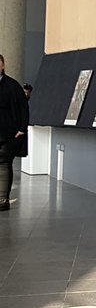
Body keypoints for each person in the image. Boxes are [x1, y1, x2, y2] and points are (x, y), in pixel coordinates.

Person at [0, 55, 29, 212]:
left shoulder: (12, 86)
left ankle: (3, 199)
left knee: (4, 163)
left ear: (3, 66)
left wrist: (21, 129)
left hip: (9, 134)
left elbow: (23, 108)